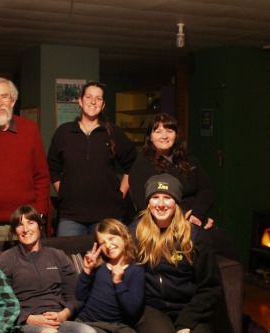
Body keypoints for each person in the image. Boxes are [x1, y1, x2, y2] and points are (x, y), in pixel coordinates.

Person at [128, 113, 238, 260]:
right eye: (158, 131)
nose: (164, 136)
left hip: (194, 219)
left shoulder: (188, 159)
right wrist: (185, 220)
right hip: (162, 224)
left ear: (176, 135)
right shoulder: (141, 165)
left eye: (169, 131)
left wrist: (198, 215)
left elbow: (207, 190)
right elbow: (145, 205)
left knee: (226, 246)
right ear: (150, 136)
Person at [132, 174, 221, 333]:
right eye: (155, 197)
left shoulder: (196, 237)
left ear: (176, 202)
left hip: (190, 308)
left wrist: (186, 322)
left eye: (167, 197)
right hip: (152, 308)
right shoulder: (135, 233)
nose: (160, 204)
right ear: (148, 203)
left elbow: (210, 287)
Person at [47, 81, 136, 236]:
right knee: (68, 260)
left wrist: (120, 194)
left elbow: (133, 164)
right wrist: (64, 192)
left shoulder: (113, 133)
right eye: (88, 97)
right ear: (80, 101)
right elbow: (53, 167)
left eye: (98, 98)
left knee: (107, 260)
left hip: (108, 216)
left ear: (103, 105)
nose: (93, 102)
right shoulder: (64, 133)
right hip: (71, 216)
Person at [0, 77, 50, 242]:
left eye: (4, 97)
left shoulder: (30, 129)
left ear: (12, 101)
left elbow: (41, 176)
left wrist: (40, 214)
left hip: (25, 221)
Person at [0, 206, 96, 333]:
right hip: (26, 324)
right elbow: (1, 301)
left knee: (87, 331)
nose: (26, 229)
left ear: (39, 226)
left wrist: (64, 314)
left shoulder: (57, 255)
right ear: (15, 230)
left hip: (59, 320)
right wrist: (28, 318)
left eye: (30, 223)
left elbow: (76, 296)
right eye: (20, 225)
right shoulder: (5, 260)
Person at [75, 218, 144, 333]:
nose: (108, 245)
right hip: (89, 323)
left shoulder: (136, 271)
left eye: (111, 238)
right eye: (102, 243)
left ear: (124, 236)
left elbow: (133, 310)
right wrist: (87, 270)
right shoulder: (99, 267)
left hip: (117, 326)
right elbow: (80, 295)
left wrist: (118, 283)